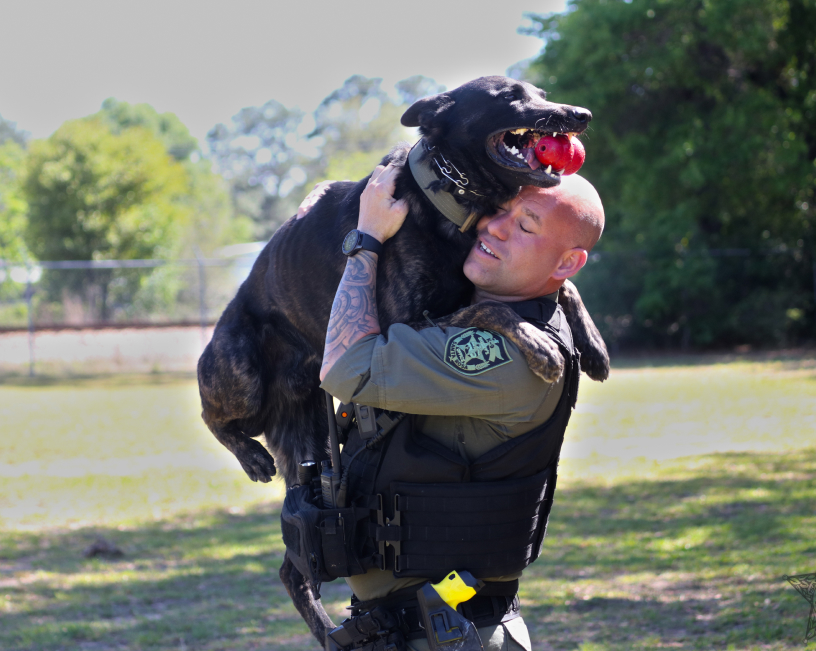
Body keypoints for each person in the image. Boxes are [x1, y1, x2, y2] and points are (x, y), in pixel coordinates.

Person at [317, 164, 605, 651]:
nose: (495, 226)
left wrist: (365, 237)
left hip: (444, 632)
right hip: (420, 627)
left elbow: (346, 366)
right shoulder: (510, 316)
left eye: (526, 225)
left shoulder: (511, 355)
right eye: (500, 209)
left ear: (566, 265)